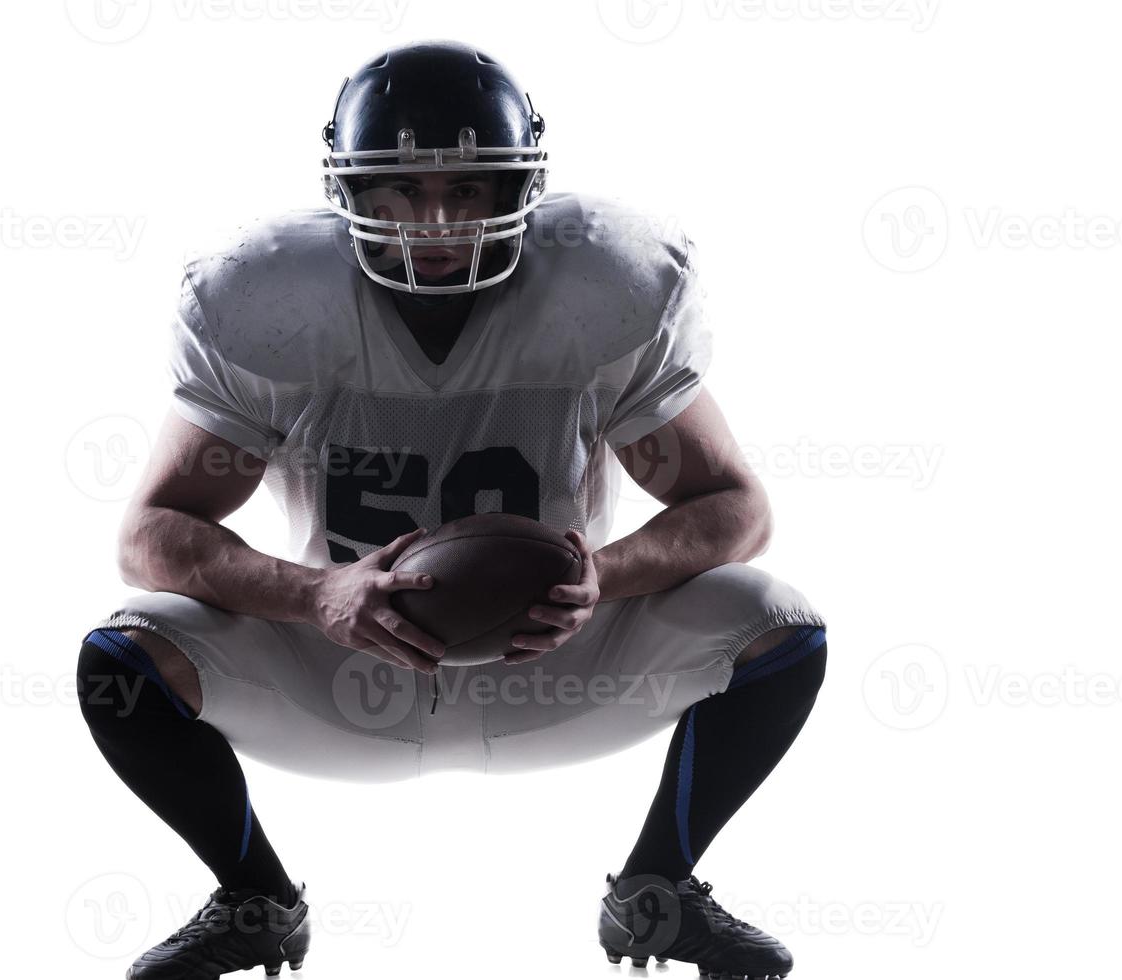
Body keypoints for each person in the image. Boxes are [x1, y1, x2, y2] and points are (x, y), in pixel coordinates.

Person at [75, 39, 828, 980]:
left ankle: (657, 893)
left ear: (523, 188)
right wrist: (315, 595)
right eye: (397, 192)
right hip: (342, 661)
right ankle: (254, 899)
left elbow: (732, 507)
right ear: (346, 193)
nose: (433, 224)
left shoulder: (600, 290)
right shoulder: (271, 302)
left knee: (775, 621)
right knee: (127, 653)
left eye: (466, 190)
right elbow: (150, 535)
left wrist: (606, 574)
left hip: (554, 661)